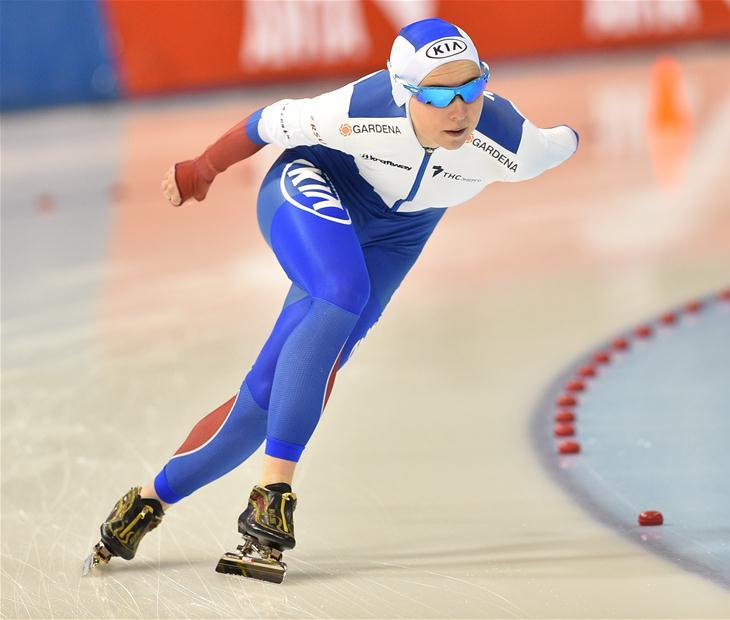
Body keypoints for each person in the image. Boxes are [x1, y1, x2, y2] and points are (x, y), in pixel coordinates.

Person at [86, 17, 578, 582]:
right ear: (403, 93)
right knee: (343, 290)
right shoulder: (358, 109)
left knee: (270, 393)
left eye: (471, 88)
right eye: (439, 94)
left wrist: (568, 136)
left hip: (401, 233)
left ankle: (148, 501)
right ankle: (273, 495)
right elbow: (265, 124)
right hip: (316, 183)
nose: (460, 109)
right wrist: (203, 168)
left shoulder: (512, 142)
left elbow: (561, 142)